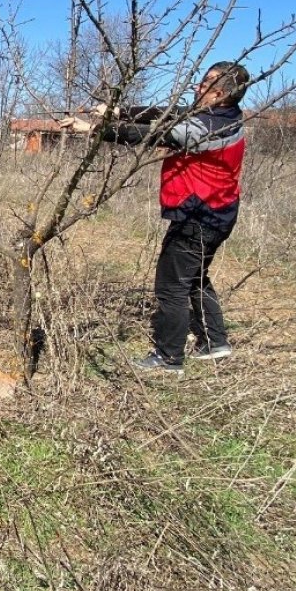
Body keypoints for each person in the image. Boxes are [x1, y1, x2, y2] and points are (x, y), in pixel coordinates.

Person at [63, 61, 250, 375]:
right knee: (195, 277)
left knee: (171, 286)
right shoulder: (222, 115)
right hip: (217, 212)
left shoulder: (208, 127)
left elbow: (156, 133)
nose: (196, 87)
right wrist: (117, 110)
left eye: (204, 84)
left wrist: (95, 129)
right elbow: (168, 111)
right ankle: (215, 342)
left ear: (218, 93)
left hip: (199, 215)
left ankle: (169, 357)